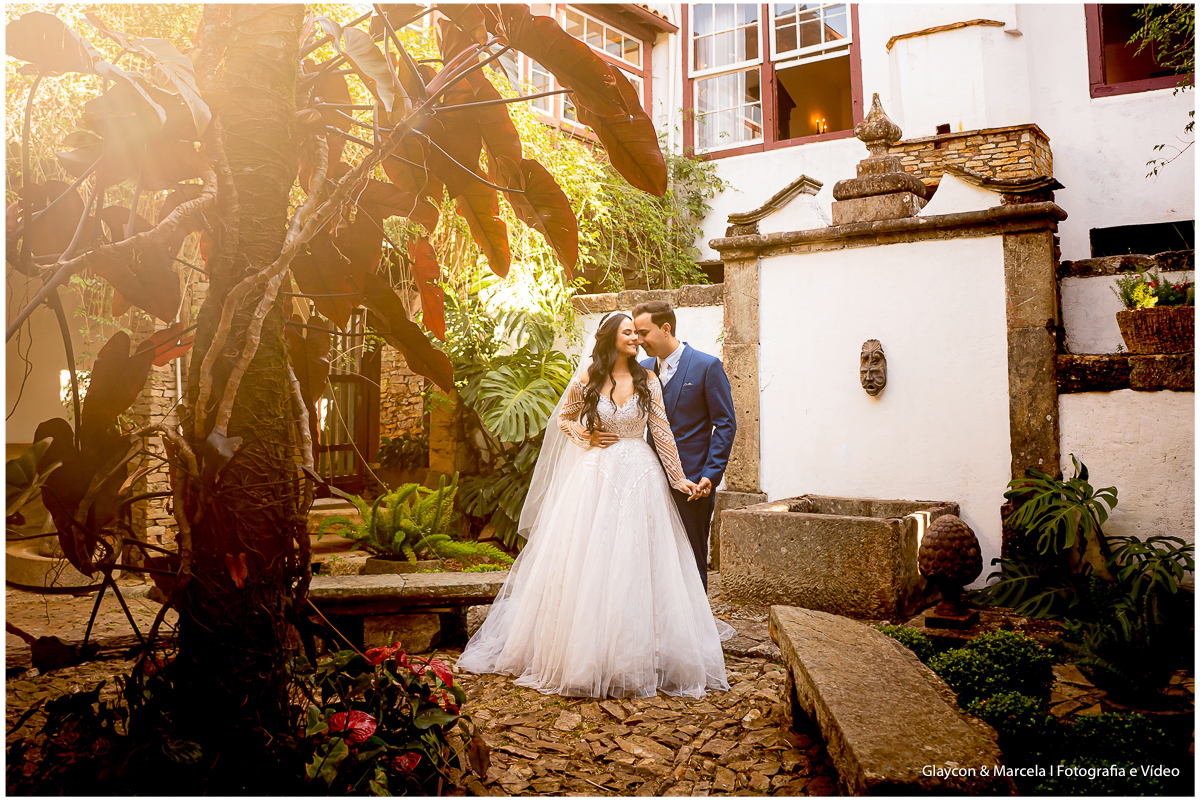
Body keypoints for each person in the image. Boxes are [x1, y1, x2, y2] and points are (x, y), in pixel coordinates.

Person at [456, 313, 731, 698]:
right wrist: (586, 437)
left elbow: (662, 433)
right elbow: (563, 419)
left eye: (637, 332)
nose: (636, 338)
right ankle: (586, 654)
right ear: (610, 338)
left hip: (641, 475)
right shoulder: (588, 377)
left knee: (636, 561)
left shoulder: (647, 379)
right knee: (591, 560)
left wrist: (677, 478)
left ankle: (634, 654)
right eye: (628, 332)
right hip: (596, 475)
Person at [633, 300, 736, 591]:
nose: (638, 340)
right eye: (635, 333)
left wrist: (710, 474)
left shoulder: (707, 366)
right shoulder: (641, 370)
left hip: (693, 482)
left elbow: (725, 424)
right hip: (650, 481)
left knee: (691, 558)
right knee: (653, 559)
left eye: (643, 333)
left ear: (665, 329)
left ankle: (697, 619)